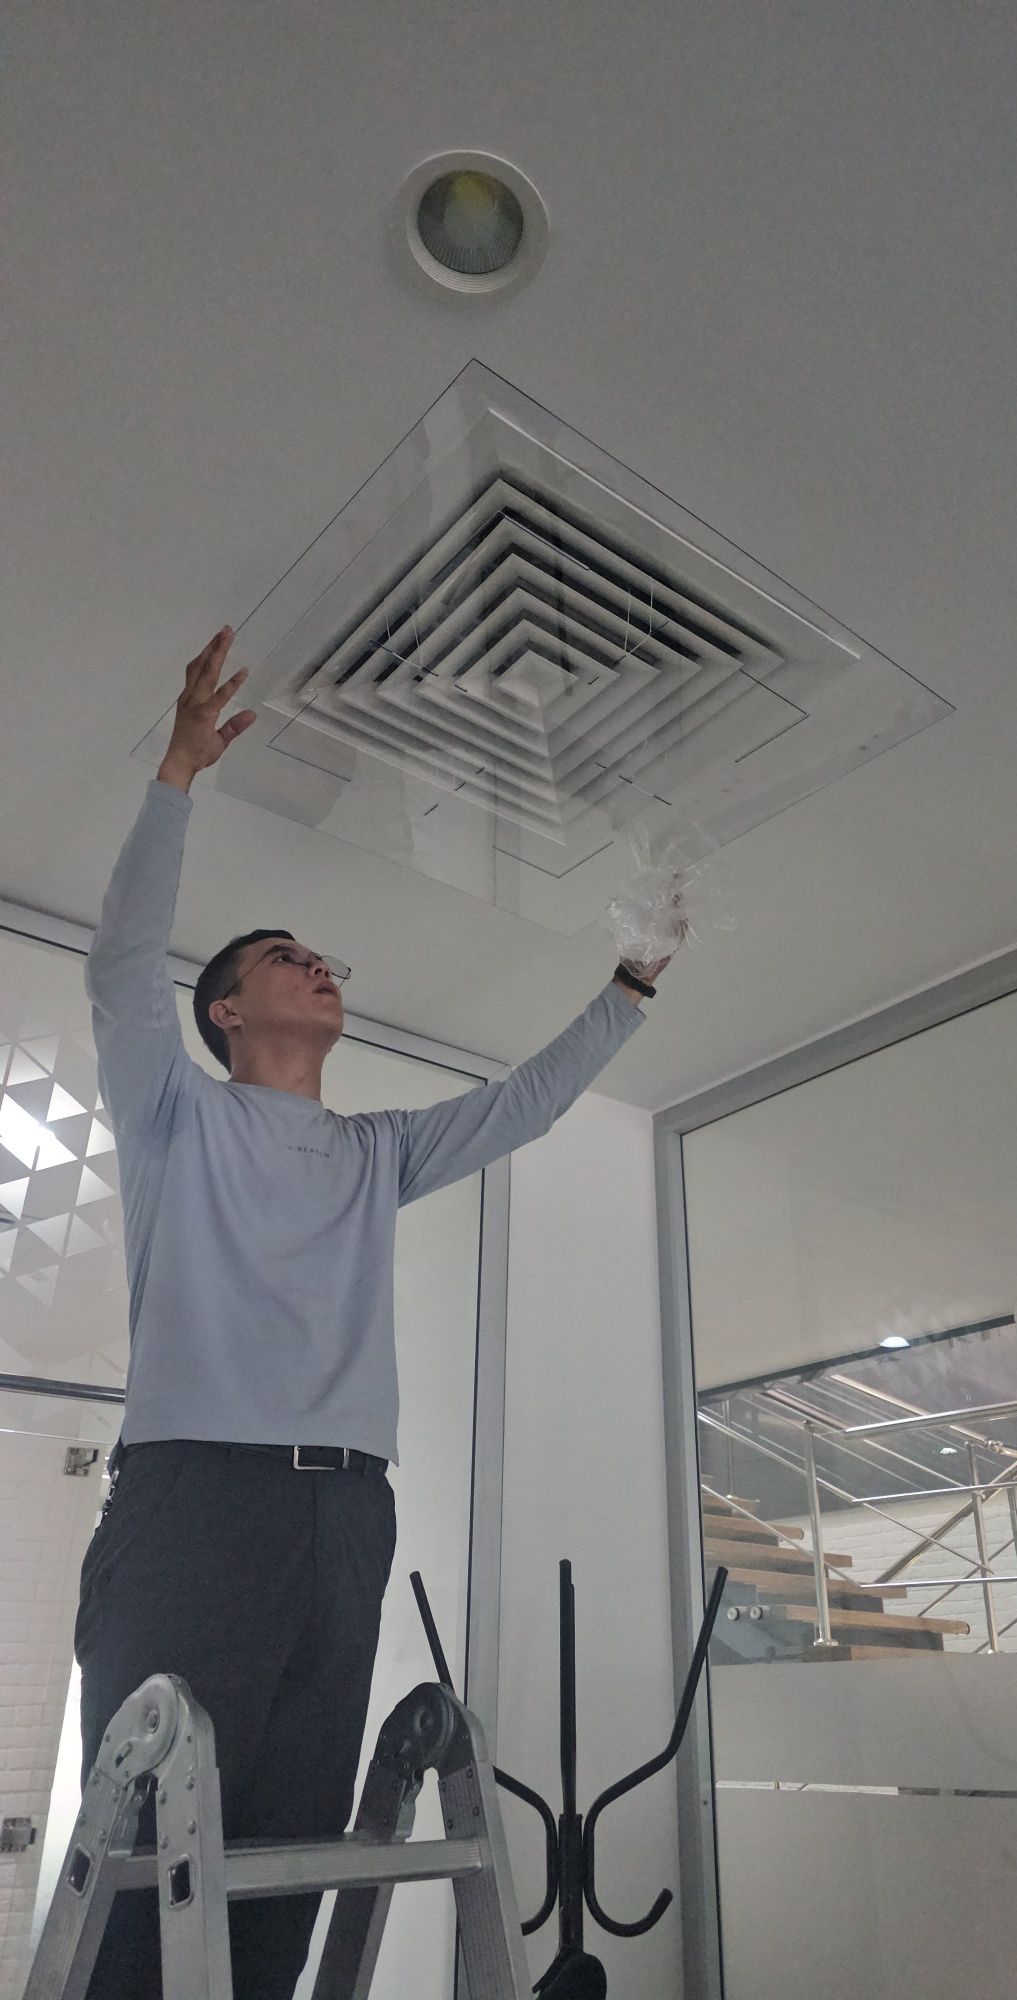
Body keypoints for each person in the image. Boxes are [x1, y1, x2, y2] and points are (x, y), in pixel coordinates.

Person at [73, 625, 676, 1998]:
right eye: (284, 957)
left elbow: (524, 1104)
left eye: (321, 955)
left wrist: (632, 984)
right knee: (151, 1839)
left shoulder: (374, 1153)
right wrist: (177, 772)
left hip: (347, 1511)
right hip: (196, 1499)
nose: (319, 964)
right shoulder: (173, 1118)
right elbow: (119, 967)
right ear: (226, 1012)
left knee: (291, 1832)